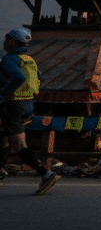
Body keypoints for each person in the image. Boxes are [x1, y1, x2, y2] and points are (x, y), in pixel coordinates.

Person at [0, 28, 60, 195]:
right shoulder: (28, 59)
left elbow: (19, 77)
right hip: (27, 103)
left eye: (8, 39)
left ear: (13, 42)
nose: (5, 42)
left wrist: (4, 92)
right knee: (5, 139)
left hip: (13, 104)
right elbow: (39, 78)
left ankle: (46, 174)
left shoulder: (8, 59)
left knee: (19, 145)